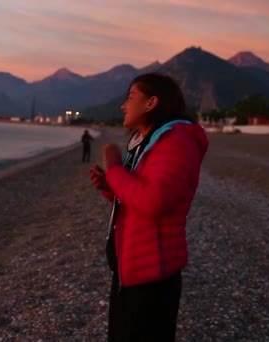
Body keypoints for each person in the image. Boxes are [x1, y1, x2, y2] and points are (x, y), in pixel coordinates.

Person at [88, 73, 209, 341]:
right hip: (130, 271)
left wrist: (115, 167)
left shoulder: (176, 142)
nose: (124, 105)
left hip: (152, 278)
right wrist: (110, 186)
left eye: (130, 97)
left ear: (151, 103)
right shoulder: (151, 142)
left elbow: (154, 202)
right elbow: (138, 203)